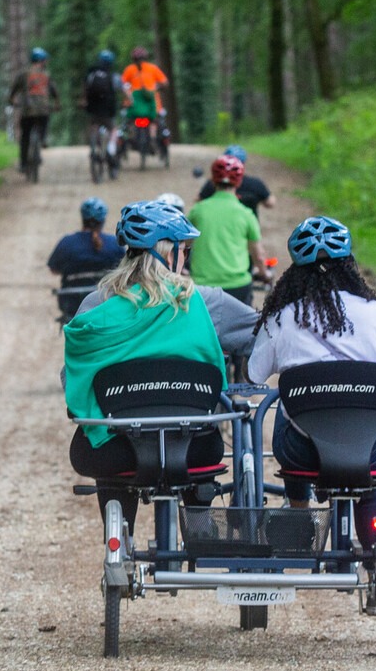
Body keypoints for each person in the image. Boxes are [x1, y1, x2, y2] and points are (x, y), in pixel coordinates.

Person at [64, 200, 257, 533]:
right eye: (185, 250)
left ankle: (119, 538)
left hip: (116, 452)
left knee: (103, 439)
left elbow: (72, 380)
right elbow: (260, 336)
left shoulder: (96, 305)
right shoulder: (206, 302)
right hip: (193, 448)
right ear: (169, 255)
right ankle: (199, 529)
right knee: (207, 433)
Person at [246, 215, 376, 558]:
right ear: (350, 264)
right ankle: (375, 553)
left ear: (295, 271)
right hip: (367, 451)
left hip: (302, 453)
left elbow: (255, 375)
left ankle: (299, 511)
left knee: (288, 410)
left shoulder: (285, 317)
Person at [187, 154, 270, 306]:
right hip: (237, 286)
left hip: (202, 286)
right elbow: (258, 255)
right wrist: (264, 274)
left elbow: (184, 245)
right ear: (239, 182)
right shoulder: (246, 214)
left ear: (213, 180)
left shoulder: (198, 211)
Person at [7, 47, 61, 174]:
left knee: (25, 136)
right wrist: (57, 104)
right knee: (44, 121)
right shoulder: (46, 74)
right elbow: (54, 92)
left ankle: (23, 164)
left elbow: (14, 90)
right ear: (42, 61)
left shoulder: (23, 74)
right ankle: (43, 139)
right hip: (43, 110)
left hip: (27, 111)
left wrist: (12, 100)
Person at [48, 197, 127, 280]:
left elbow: (54, 270)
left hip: (71, 291)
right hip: (105, 292)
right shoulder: (114, 243)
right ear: (103, 221)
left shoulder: (67, 243)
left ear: (83, 218)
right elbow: (123, 268)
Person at [196, 145, 276, 220]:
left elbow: (198, 201)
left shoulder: (212, 184)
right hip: (247, 228)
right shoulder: (256, 184)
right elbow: (270, 203)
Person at [79, 50, 124, 167]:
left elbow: (85, 89)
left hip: (93, 108)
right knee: (113, 129)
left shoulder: (91, 75)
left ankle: (94, 146)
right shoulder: (114, 76)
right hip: (108, 109)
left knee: (94, 125)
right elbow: (124, 90)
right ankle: (111, 149)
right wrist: (130, 101)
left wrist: (83, 101)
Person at [119, 46, 168, 148]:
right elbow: (165, 82)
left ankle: (132, 138)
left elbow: (122, 84)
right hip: (151, 102)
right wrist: (157, 87)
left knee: (130, 120)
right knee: (153, 120)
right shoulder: (153, 68)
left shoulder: (130, 69)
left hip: (135, 103)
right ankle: (153, 139)